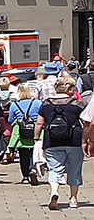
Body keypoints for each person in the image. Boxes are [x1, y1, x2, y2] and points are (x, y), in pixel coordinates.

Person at [40, 77, 84, 209]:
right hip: (74, 140)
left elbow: (40, 123)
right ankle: (73, 199)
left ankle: (54, 192)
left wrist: (37, 138)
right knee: (75, 169)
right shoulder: (77, 104)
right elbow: (86, 121)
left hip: (52, 140)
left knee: (55, 169)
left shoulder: (46, 104)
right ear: (70, 89)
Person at [7, 83, 45, 186]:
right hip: (36, 131)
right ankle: (33, 170)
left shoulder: (14, 104)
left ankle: (25, 175)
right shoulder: (38, 103)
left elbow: (10, 119)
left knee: (23, 155)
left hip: (21, 132)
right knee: (35, 153)